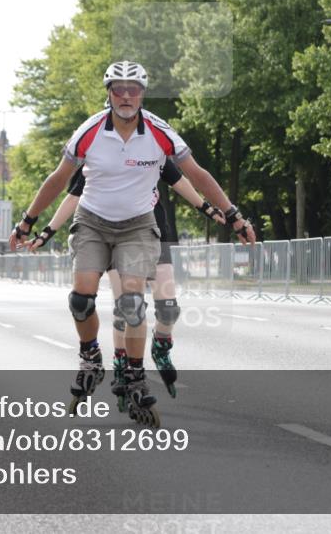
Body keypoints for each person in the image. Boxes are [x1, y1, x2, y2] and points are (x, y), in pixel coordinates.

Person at [10, 60, 255, 426]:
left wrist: (233, 215)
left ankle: (136, 377)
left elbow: (197, 175)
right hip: (92, 221)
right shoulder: (89, 132)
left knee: (132, 303)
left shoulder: (160, 133)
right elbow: (59, 180)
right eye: (118, 89)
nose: (126, 96)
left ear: (142, 94)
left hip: (139, 225)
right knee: (81, 299)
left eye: (133, 89)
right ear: (108, 93)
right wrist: (29, 222)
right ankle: (91, 358)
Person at [28, 159, 226, 407]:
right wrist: (47, 231)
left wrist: (206, 207)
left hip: (153, 232)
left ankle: (161, 347)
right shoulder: (101, 155)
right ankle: (123, 363)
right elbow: (74, 196)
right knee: (127, 306)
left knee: (169, 307)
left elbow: (181, 181)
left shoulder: (152, 151)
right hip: (115, 237)